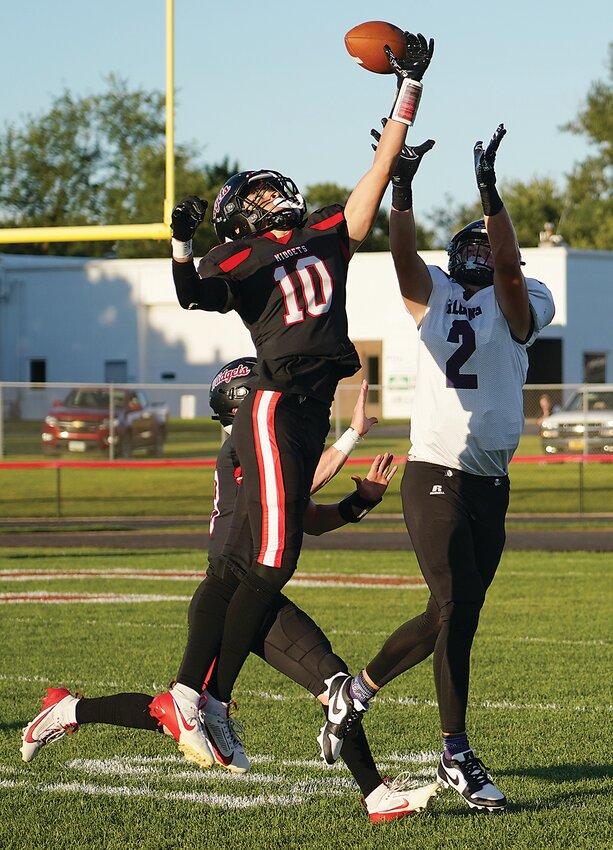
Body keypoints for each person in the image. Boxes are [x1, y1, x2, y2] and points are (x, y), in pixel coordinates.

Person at [154, 30, 435, 770]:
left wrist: (406, 88)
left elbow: (375, 175)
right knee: (273, 561)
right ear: (236, 216)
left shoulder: (324, 236)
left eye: (273, 188)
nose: (272, 195)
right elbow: (190, 296)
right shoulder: (238, 256)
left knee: (243, 567)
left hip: (310, 407)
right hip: (274, 404)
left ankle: (190, 691)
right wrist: (180, 245)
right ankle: (205, 698)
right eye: (255, 194)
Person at [20, 356, 441, 822]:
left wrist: (359, 503)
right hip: (228, 593)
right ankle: (69, 710)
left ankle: (376, 795)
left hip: (255, 593)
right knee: (179, 714)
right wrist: (351, 434)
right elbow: (298, 484)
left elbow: (308, 519)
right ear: (246, 403)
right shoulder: (242, 450)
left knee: (333, 682)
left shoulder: (262, 448)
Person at [318, 123, 555, 813]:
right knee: (455, 608)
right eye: (472, 242)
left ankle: (353, 693)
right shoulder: (436, 295)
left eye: (489, 240)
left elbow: (510, 275)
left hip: (489, 484)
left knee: (452, 613)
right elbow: (399, 256)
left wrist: (489, 195)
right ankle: (456, 752)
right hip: (434, 477)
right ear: (456, 256)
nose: (482, 249)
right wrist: (401, 186)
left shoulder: (521, 293)